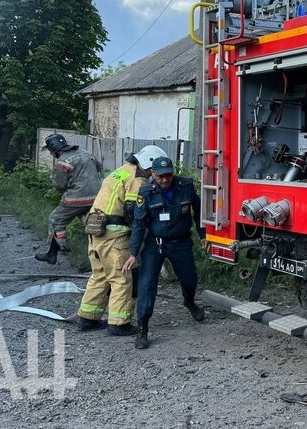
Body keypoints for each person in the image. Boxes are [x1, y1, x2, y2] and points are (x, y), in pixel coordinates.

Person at [76, 145, 168, 336]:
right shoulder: (137, 179)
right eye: (154, 170)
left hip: (96, 229)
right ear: (148, 165)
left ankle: (88, 318)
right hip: (114, 234)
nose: (155, 174)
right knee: (122, 278)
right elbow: (134, 211)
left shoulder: (121, 171)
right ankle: (119, 323)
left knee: (100, 275)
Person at [122, 156, 206, 349]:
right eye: (160, 176)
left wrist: (203, 234)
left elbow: (199, 210)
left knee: (190, 279)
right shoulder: (145, 193)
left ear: (172, 172)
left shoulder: (185, 186)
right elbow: (139, 224)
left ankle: (189, 302)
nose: (165, 179)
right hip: (155, 244)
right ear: (152, 173)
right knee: (146, 285)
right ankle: (143, 329)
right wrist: (133, 252)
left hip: (181, 243)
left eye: (168, 175)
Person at [36, 133, 103, 265]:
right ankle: (95, 260)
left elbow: (59, 185)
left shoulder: (62, 163)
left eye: (50, 151)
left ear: (54, 149)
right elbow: (99, 168)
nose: (50, 154)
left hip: (75, 199)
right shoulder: (87, 154)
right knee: (92, 227)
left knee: (55, 220)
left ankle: (62, 249)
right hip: (97, 197)